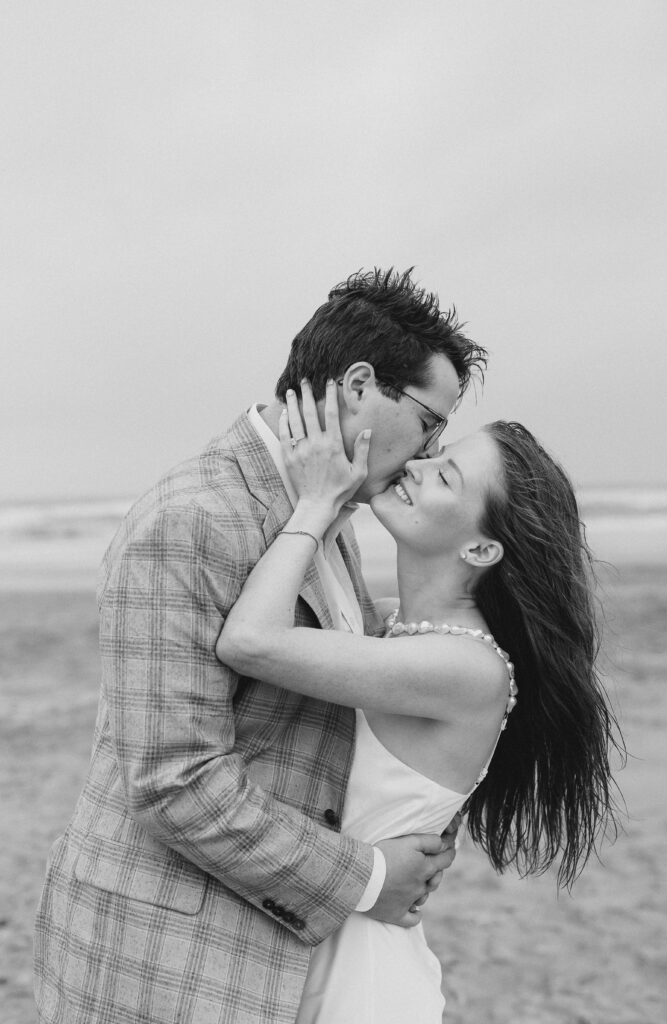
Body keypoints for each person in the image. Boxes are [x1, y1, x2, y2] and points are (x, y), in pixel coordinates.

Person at [34, 268, 487, 1024]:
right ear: (359, 384)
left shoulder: (321, 505)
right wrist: (370, 878)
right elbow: (175, 783)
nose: (424, 452)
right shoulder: (195, 517)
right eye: (428, 424)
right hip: (165, 963)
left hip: (271, 951)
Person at [216, 381, 623, 1024]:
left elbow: (251, 640)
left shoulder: (463, 668)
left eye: (446, 476)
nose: (416, 465)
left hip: (358, 975)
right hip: (321, 932)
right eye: (434, 452)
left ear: (481, 550)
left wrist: (317, 504)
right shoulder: (398, 633)